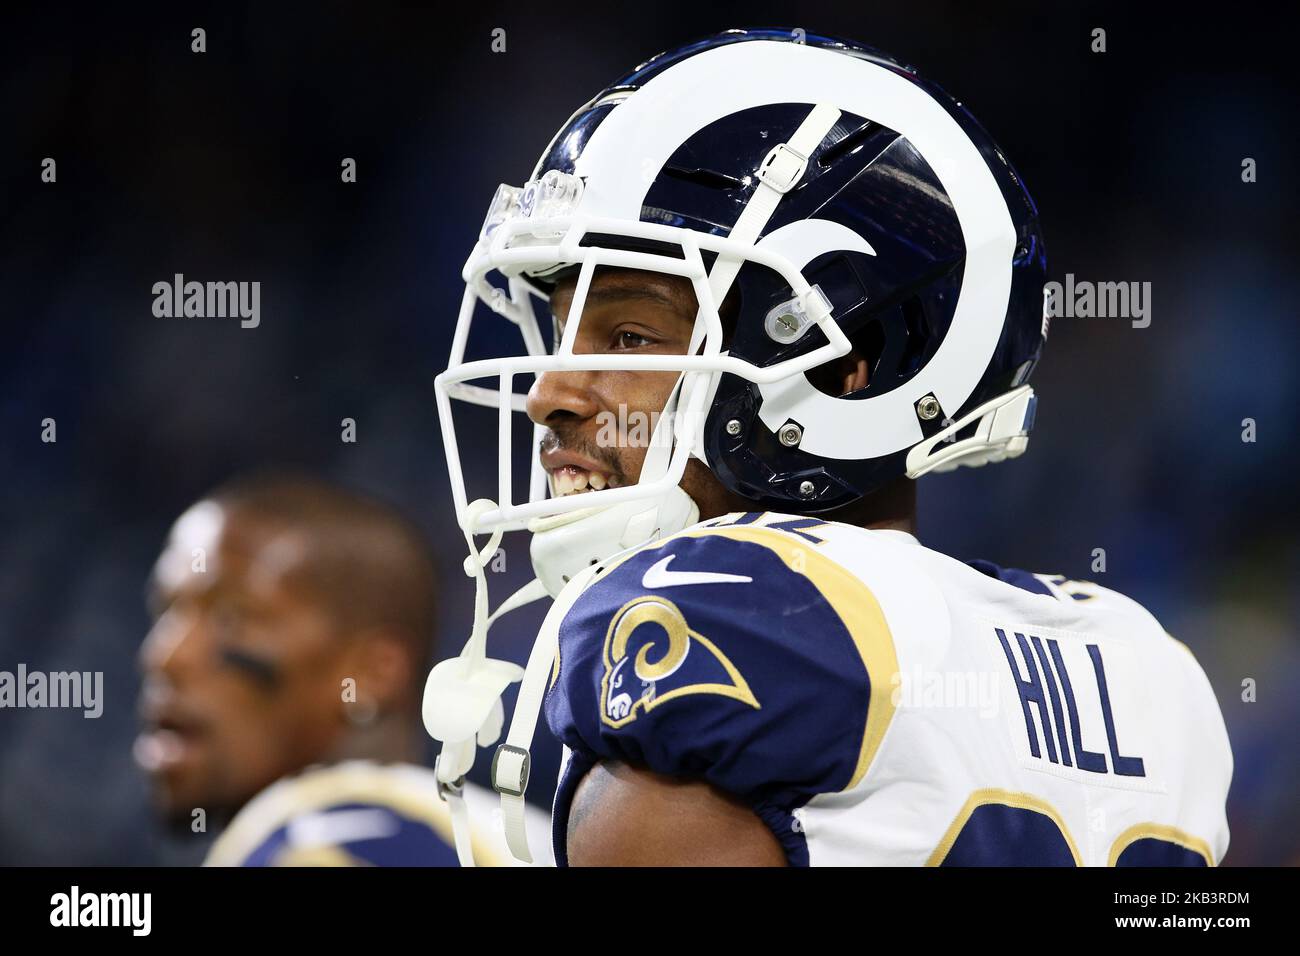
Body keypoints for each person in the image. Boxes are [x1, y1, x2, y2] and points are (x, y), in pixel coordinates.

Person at [427, 28, 1232, 866]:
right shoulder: (1145, 667)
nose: (548, 395)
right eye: (561, 338)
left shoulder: (729, 618)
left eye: (628, 337)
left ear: (851, 368)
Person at [137, 473, 551, 866]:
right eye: (166, 612)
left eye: (233, 619)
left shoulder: (314, 843)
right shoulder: (527, 835)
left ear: (373, 674)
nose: (165, 656)